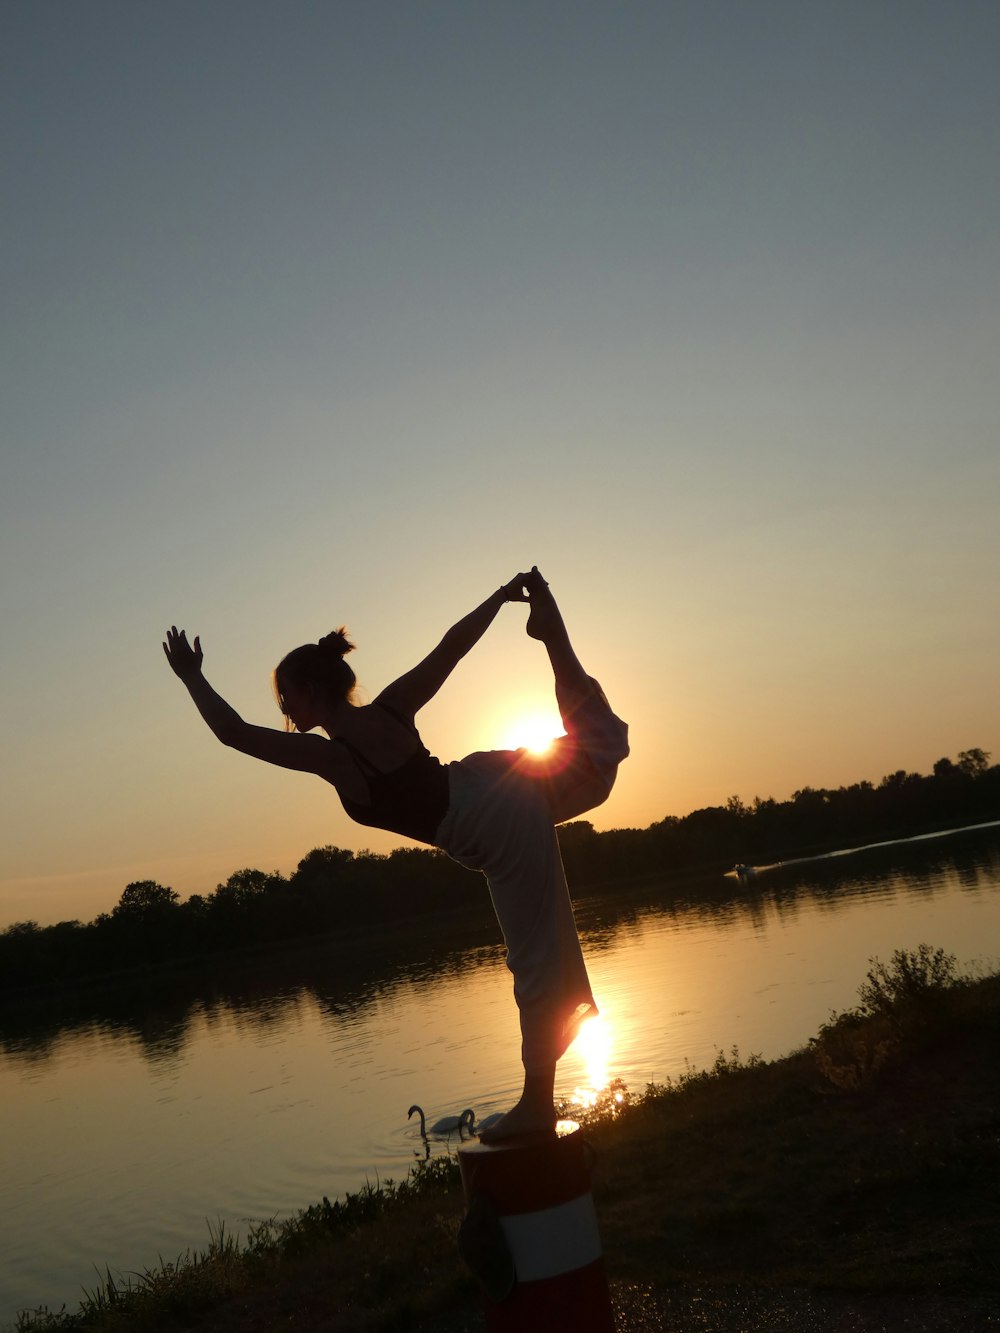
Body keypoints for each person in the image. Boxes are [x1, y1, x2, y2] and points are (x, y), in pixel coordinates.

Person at [163, 568, 628, 1141]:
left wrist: (191, 679)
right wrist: (500, 597)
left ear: (312, 690)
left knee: (536, 955)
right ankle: (550, 630)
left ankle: (536, 1106)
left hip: (492, 819)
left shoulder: (331, 758)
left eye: (287, 696)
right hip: (495, 783)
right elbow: (450, 649)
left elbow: (233, 732)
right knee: (594, 756)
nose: (284, 707)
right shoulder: (389, 710)